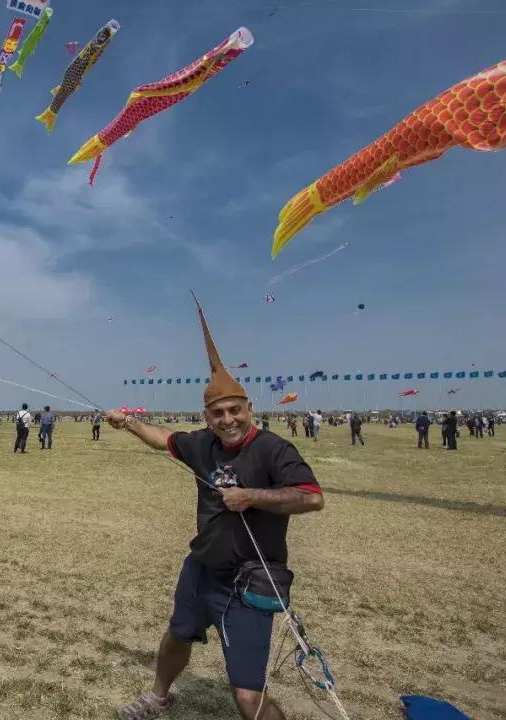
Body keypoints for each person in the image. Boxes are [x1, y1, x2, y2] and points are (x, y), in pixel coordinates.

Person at [110, 301, 322, 720]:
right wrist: (128, 422)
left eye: (234, 410)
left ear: (249, 409)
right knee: (177, 635)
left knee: (246, 696)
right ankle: (158, 696)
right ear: (207, 417)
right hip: (202, 566)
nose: (228, 420)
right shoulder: (201, 445)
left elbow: (311, 497)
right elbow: (164, 439)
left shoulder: (273, 450)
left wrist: (252, 496)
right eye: (218, 413)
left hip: (249, 582)